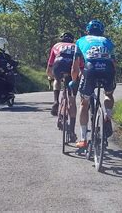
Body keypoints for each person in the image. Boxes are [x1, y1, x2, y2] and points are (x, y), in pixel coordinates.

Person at [69, 20, 116, 149]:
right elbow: (113, 63)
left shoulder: (80, 41)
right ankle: (107, 116)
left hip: (90, 69)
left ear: (87, 31)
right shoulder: (107, 41)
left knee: (84, 103)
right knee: (109, 95)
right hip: (107, 69)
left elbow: (75, 66)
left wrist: (74, 80)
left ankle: (83, 138)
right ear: (102, 31)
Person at [46, 32, 78, 142]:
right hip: (71, 67)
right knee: (72, 100)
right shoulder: (76, 46)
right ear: (72, 40)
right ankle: (72, 131)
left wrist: (50, 76)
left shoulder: (57, 45)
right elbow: (80, 64)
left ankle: (56, 101)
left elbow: (50, 65)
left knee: (57, 80)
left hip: (58, 65)